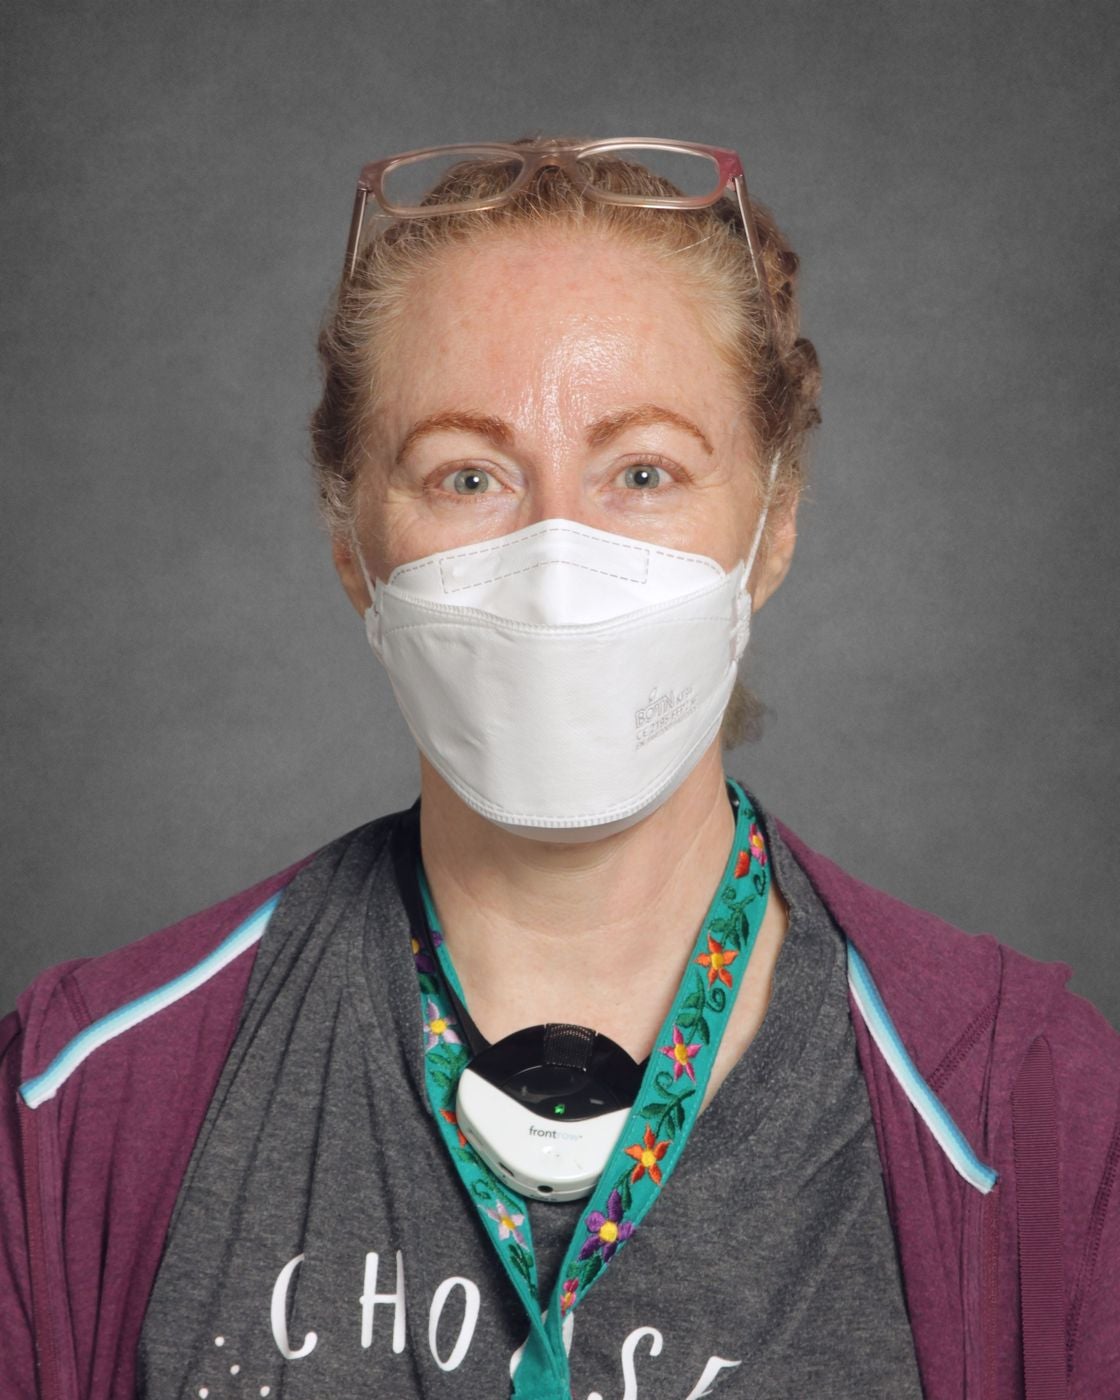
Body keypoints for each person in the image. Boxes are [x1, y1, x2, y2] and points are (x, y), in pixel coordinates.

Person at [1, 137, 1117, 1400]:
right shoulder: (82, 1098)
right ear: (352, 542)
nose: (552, 567)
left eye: (642, 472)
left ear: (772, 525)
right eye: (467, 475)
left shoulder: (1026, 1110)